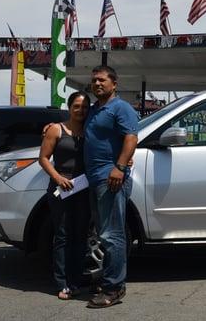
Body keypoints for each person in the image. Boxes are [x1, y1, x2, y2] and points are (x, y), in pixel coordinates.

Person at [85, 65, 139, 309]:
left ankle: (114, 288)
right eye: (94, 80)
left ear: (114, 84)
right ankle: (106, 281)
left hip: (111, 178)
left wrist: (119, 167)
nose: (97, 84)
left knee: (112, 234)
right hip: (94, 179)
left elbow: (131, 137)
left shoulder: (121, 107)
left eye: (102, 80)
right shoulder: (95, 109)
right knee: (102, 234)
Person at [38, 91, 90, 300]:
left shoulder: (90, 130)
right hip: (61, 188)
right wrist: (58, 178)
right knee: (62, 235)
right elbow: (43, 158)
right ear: (69, 108)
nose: (80, 110)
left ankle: (76, 281)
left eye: (84, 107)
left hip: (84, 188)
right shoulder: (56, 129)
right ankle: (62, 282)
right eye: (76, 106)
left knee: (81, 236)